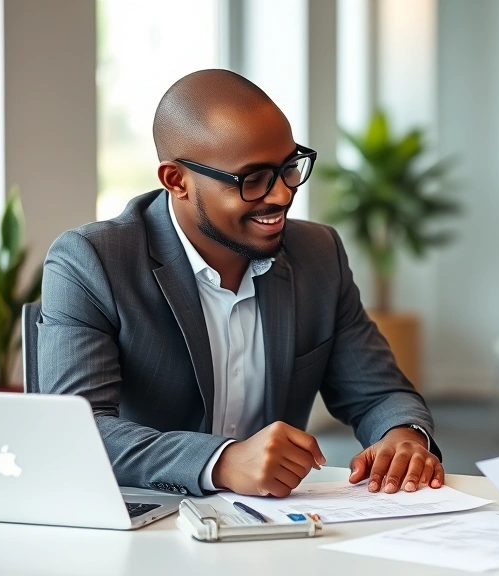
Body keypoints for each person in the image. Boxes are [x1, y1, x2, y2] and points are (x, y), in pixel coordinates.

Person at [40, 69, 444, 498]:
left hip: (268, 526)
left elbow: (378, 392)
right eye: (252, 179)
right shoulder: (92, 261)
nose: (283, 195)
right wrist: (222, 461)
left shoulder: (318, 254)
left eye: (289, 168)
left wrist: (403, 436)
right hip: (140, 516)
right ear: (176, 180)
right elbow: (80, 429)